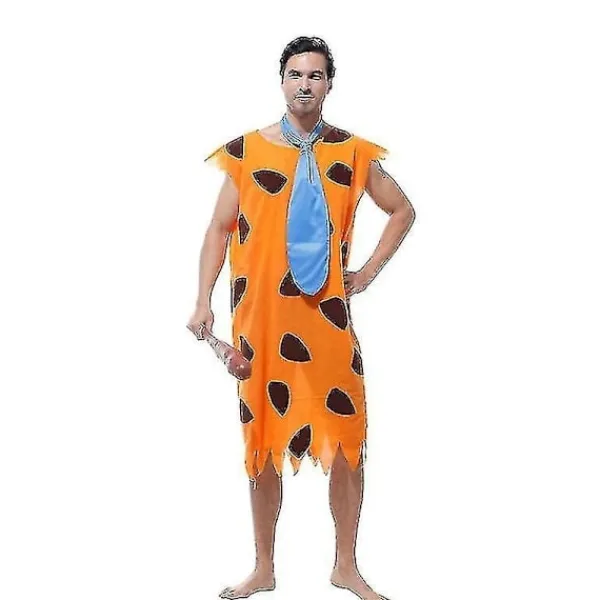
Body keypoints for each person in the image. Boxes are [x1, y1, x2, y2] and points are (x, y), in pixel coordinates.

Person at [187, 36, 415, 600]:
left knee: (348, 439)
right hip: (261, 323)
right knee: (262, 442)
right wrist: (203, 300)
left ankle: (346, 565)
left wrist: (366, 273)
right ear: (282, 81)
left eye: (315, 75)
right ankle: (263, 567)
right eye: (295, 74)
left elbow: (402, 210)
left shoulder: (354, 153)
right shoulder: (247, 152)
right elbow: (218, 228)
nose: (305, 84)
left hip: (327, 323)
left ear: (329, 84)